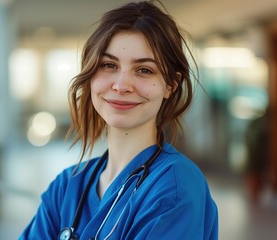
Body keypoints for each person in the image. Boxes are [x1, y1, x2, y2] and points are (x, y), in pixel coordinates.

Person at [19, 1, 218, 239]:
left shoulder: (174, 188)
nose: (122, 85)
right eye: (108, 65)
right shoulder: (66, 189)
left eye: (144, 70)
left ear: (170, 85)